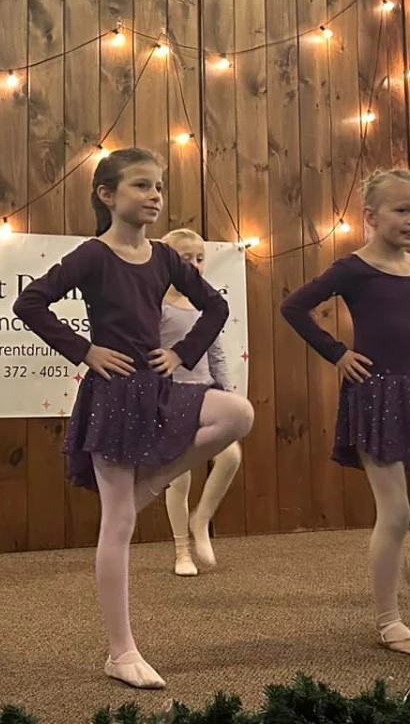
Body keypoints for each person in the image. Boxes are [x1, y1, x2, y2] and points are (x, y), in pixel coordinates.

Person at [13, 148, 256, 690]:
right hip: (113, 395)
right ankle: (121, 651)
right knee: (118, 524)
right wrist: (84, 351)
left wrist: (183, 355)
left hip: (159, 388)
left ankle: (156, 480)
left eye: (159, 188)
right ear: (107, 195)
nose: (154, 197)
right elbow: (30, 303)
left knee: (237, 413)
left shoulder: (166, 258)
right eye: (141, 186)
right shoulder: (92, 255)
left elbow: (215, 308)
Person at [279, 169, 410, 656]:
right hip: (375, 395)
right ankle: (388, 620)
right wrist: (338, 353)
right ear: (370, 216)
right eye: (402, 210)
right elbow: (294, 308)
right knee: (397, 512)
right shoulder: (353, 269)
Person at [156, 227, 242, 577]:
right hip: (173, 396)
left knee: (231, 455)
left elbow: (217, 353)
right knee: (179, 478)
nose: (194, 265)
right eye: (185, 259)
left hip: (207, 393)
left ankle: (201, 518)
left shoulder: (207, 305)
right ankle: (181, 551)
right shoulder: (157, 305)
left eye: (200, 258)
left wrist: (230, 395)